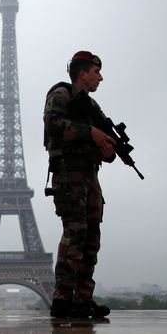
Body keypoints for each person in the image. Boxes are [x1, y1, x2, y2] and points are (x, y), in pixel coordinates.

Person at [44, 51, 117, 319]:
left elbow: (97, 144)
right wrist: (92, 133)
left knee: (91, 239)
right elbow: (53, 125)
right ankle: (63, 299)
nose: (100, 77)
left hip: (89, 175)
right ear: (82, 73)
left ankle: (83, 298)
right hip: (69, 174)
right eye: (96, 72)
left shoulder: (91, 106)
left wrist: (107, 150)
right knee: (75, 235)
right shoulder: (62, 94)